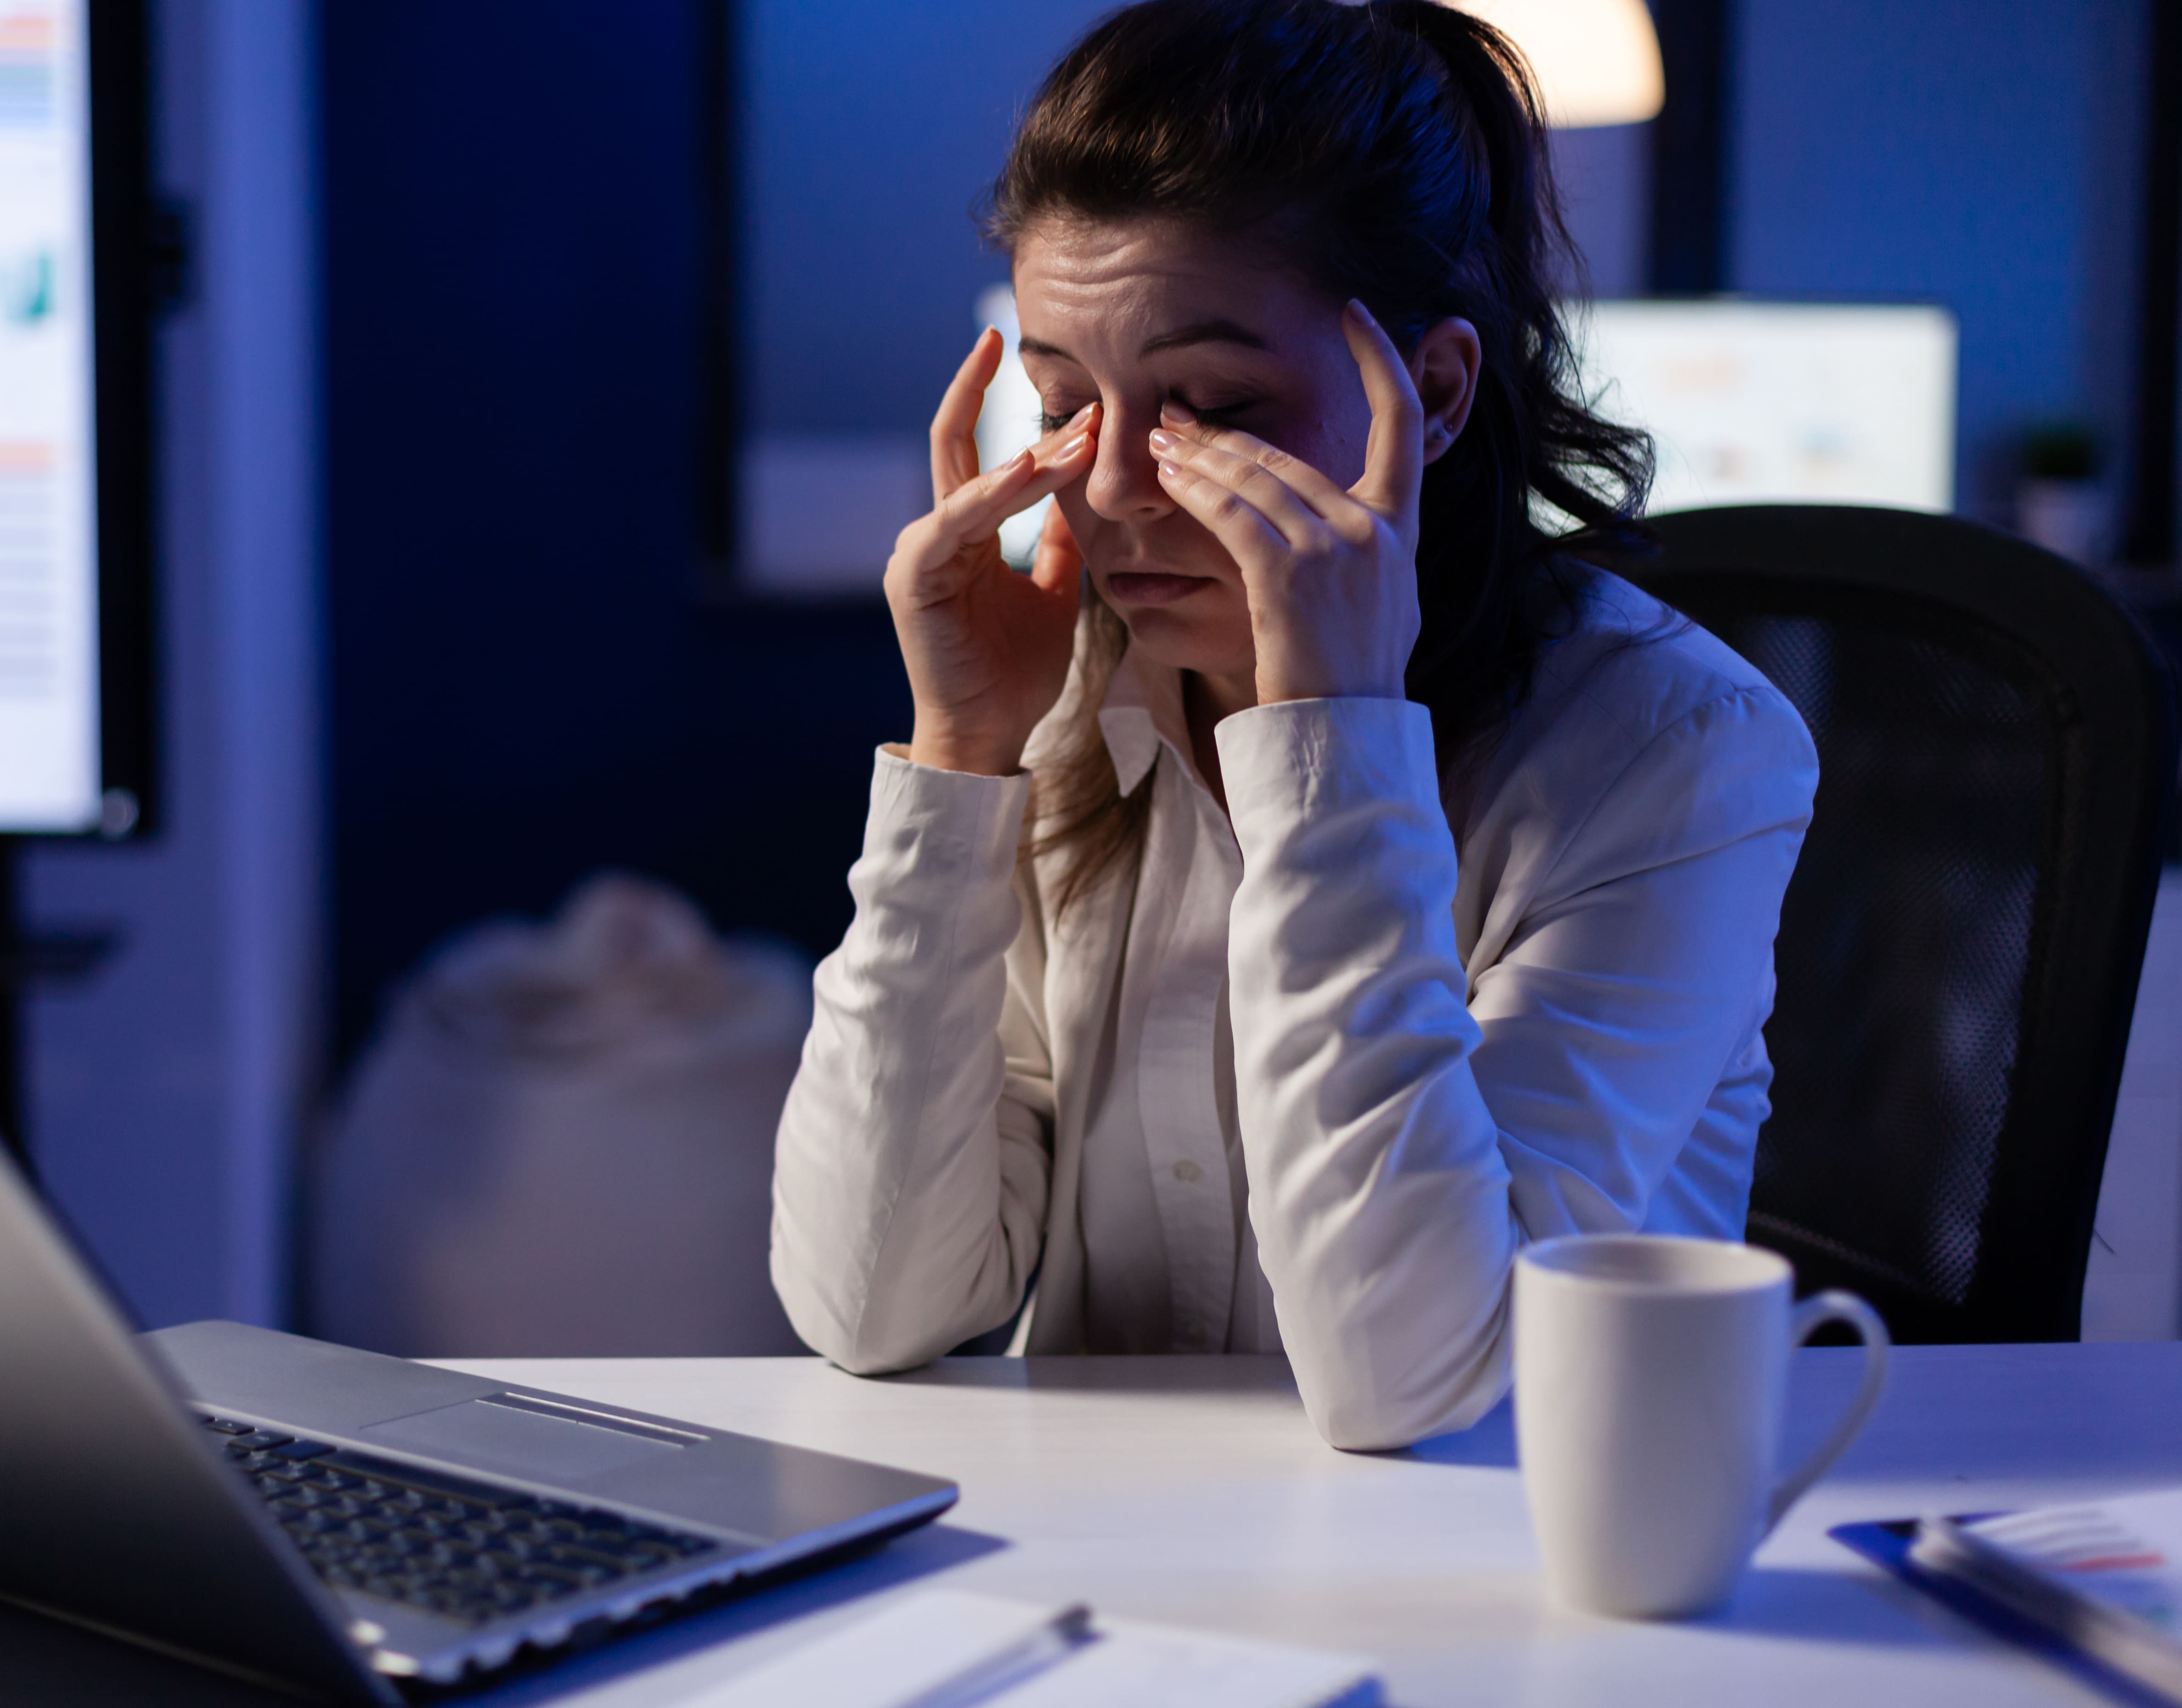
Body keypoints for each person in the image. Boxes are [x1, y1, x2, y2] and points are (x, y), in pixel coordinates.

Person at [769, 0, 1818, 1450]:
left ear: (1432, 394)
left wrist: (1327, 740)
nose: (1119, 486)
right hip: (1119, 1575)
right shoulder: (1074, 697)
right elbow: (867, 1303)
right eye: (1066, 407)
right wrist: (959, 758)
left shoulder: (1680, 752)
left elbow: (1415, 1376)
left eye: (1213, 407)